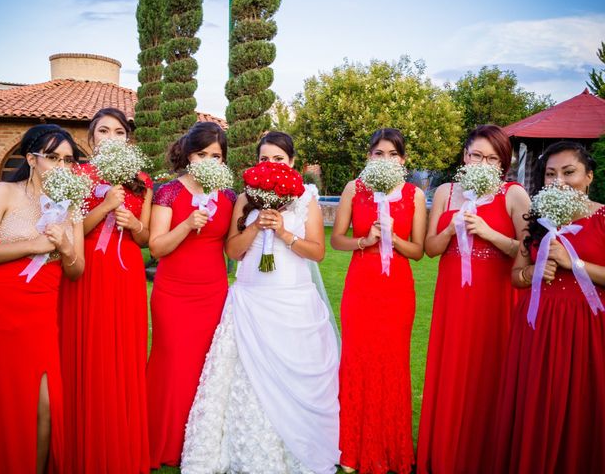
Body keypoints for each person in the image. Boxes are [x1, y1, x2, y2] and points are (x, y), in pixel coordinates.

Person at [180, 131, 340, 474]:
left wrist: (283, 232)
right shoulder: (244, 199)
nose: (271, 165)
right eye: (265, 159)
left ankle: (296, 447)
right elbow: (233, 251)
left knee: (293, 376)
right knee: (245, 378)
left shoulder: (307, 199)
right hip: (251, 300)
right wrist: (256, 227)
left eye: (278, 160)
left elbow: (318, 252)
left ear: (292, 163)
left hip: (292, 301)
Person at [0, 124, 85, 473]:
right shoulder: (4, 192)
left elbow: (77, 272)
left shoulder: (71, 206)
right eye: (52, 157)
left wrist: (65, 247)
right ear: (32, 158)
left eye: (68, 160)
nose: (61, 166)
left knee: (43, 404)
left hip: (40, 313)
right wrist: (33, 245)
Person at [417, 124, 531, 474]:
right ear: (465, 156)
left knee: (489, 372)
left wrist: (489, 233)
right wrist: (452, 229)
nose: (483, 163)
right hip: (453, 297)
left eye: (492, 158)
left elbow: (526, 252)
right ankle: (446, 455)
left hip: (494, 298)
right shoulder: (448, 192)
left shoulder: (513, 194)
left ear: (503, 163)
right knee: (451, 371)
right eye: (476, 155)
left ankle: (486, 457)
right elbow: (430, 249)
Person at [493, 141, 605, 473]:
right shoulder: (536, 222)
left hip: (588, 329)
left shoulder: (603, 217)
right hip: (539, 327)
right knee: (540, 403)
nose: (558, 181)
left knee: (583, 404)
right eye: (550, 174)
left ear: (588, 177)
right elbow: (516, 277)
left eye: (568, 172)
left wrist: (576, 263)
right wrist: (534, 271)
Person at [59, 107, 152, 473]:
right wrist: (106, 208)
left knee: (122, 352)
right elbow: (68, 234)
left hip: (126, 274)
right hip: (86, 270)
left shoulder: (140, 178)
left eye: (118, 132)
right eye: (103, 131)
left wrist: (133, 223)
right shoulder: (77, 175)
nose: (111, 138)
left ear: (127, 140)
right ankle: (83, 442)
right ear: (90, 139)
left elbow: (144, 239)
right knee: (86, 347)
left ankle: (119, 442)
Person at [332, 128, 427, 474]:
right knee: (357, 361)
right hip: (361, 287)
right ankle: (350, 448)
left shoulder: (415, 195)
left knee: (393, 364)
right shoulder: (354, 189)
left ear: (402, 160)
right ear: (368, 157)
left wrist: (393, 238)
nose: (385, 159)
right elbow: (336, 241)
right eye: (378, 153)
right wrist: (365, 239)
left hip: (397, 290)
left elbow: (418, 251)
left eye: (392, 154)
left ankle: (390, 449)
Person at [146, 122, 236, 469]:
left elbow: (231, 246)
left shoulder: (228, 196)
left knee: (206, 368)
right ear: (188, 155)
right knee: (173, 366)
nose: (210, 161)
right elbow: (157, 246)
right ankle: (161, 442)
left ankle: (199, 443)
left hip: (214, 291)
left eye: (217, 156)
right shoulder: (170, 192)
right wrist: (186, 225)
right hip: (174, 293)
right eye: (203, 154)